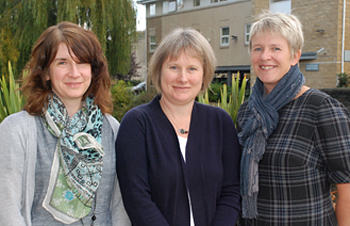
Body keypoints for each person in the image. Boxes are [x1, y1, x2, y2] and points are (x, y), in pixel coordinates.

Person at [0, 21, 131, 226]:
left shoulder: (112, 128)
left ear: (93, 70)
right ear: (45, 72)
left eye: (82, 63)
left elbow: (119, 206)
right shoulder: (17, 130)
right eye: (62, 62)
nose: (74, 73)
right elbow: (7, 210)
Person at [115, 27, 241, 226]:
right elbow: (137, 198)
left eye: (192, 68)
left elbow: (231, 191)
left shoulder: (220, 123)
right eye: (174, 67)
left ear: (203, 74)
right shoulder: (137, 124)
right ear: (159, 71)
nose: (183, 78)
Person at [237, 11, 350, 225]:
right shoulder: (247, 112)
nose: (264, 56)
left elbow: (347, 189)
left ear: (295, 56)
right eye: (258, 48)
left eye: (276, 48)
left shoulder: (321, 108)